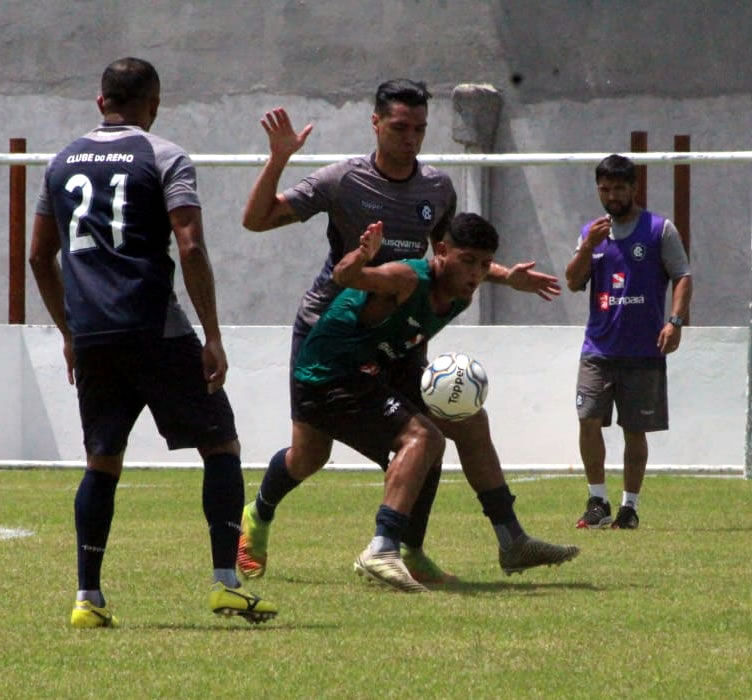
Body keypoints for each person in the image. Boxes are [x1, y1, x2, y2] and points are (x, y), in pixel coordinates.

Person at [238, 79, 565, 584]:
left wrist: (505, 276)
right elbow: (256, 220)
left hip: (400, 337)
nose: (411, 138)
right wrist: (278, 158)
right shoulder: (343, 180)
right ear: (376, 123)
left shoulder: (436, 188)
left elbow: (453, 257)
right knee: (310, 455)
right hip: (333, 330)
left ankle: (496, 541)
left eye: (419, 129)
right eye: (399, 127)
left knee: (459, 421)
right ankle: (258, 515)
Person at [29, 57, 277, 627]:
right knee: (220, 445)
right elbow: (189, 246)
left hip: (93, 333)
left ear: (100, 103)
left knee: (101, 463)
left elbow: (39, 257)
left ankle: (87, 599)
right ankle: (224, 584)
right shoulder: (165, 155)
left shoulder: (59, 162)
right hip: (154, 327)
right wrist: (212, 337)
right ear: (154, 104)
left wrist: (70, 333)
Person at [286, 213, 579, 592]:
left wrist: (506, 277)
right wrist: (362, 255)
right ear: (440, 251)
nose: (477, 273)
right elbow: (344, 277)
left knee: (470, 420)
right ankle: (382, 548)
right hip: (329, 377)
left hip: (377, 371)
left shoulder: (459, 283)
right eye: (468, 261)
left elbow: (475, 269)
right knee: (421, 439)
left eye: (484, 263)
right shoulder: (406, 278)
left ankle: (513, 541)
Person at [565, 154, 692, 530]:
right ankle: (597, 501)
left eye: (619, 188)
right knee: (588, 420)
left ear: (634, 188)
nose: (612, 196)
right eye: (605, 189)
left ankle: (629, 507)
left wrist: (675, 322)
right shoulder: (592, 232)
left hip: (643, 349)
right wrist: (587, 246)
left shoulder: (658, 229)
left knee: (633, 430)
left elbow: (682, 276)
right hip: (598, 350)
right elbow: (573, 281)